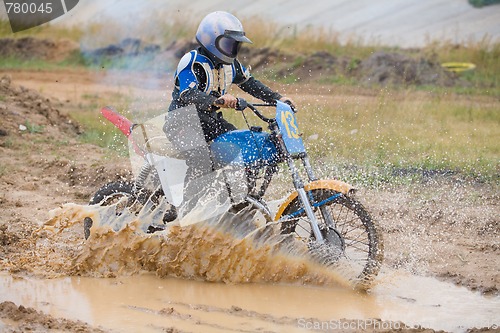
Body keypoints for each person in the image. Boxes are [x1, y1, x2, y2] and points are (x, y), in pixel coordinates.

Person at [164, 11, 294, 214]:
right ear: (210, 40)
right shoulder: (192, 61)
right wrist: (217, 100)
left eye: (235, 45)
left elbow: (251, 84)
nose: (232, 49)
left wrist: (278, 99)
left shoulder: (230, 65)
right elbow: (188, 94)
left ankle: (238, 204)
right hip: (183, 121)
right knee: (201, 160)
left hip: (211, 121)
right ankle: (180, 210)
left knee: (241, 149)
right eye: (228, 44)